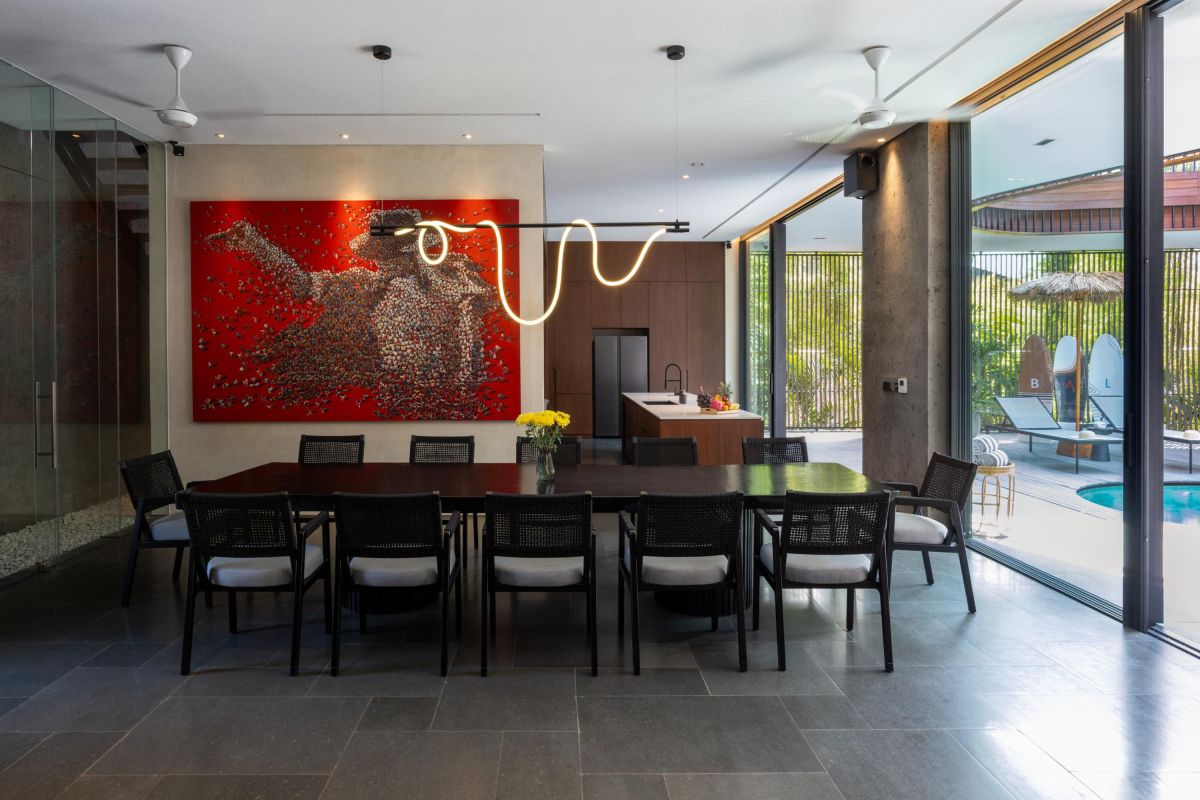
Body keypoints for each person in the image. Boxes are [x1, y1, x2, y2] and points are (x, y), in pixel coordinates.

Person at [205, 207, 508, 419]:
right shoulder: (359, 284)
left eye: (400, 250)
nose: (390, 260)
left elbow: (473, 327)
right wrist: (255, 244)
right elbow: (303, 283)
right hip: (392, 401)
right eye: (385, 253)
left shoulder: (453, 282)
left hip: (449, 405)